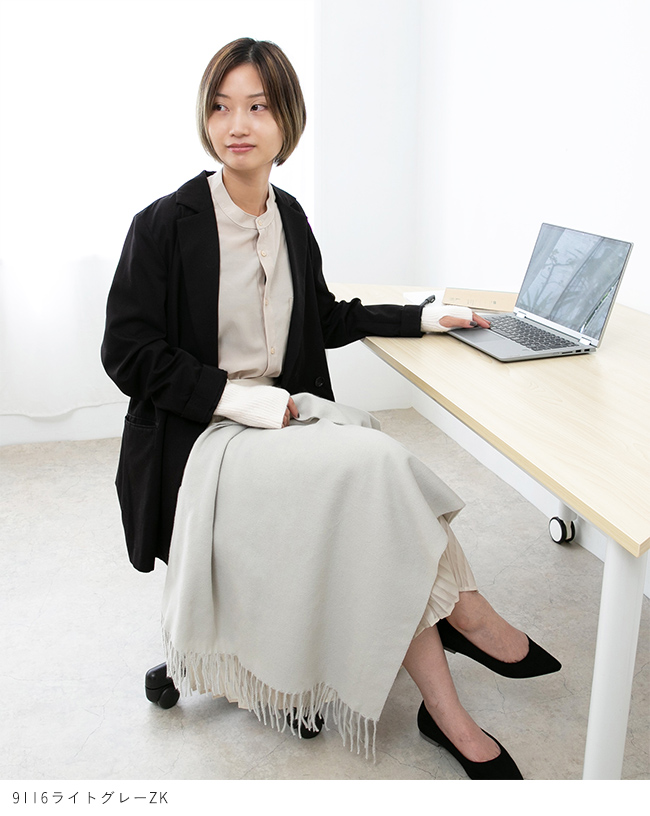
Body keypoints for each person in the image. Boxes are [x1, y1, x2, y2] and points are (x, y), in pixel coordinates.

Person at [101, 38, 561, 780]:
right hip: (206, 438)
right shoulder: (163, 223)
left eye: (257, 106)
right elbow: (127, 352)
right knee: (374, 462)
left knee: (374, 487)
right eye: (221, 107)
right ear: (205, 119)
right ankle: (465, 621)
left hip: (285, 420)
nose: (237, 124)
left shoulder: (289, 216)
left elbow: (322, 315)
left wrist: (424, 316)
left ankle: (447, 699)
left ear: (287, 119)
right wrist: (243, 402)